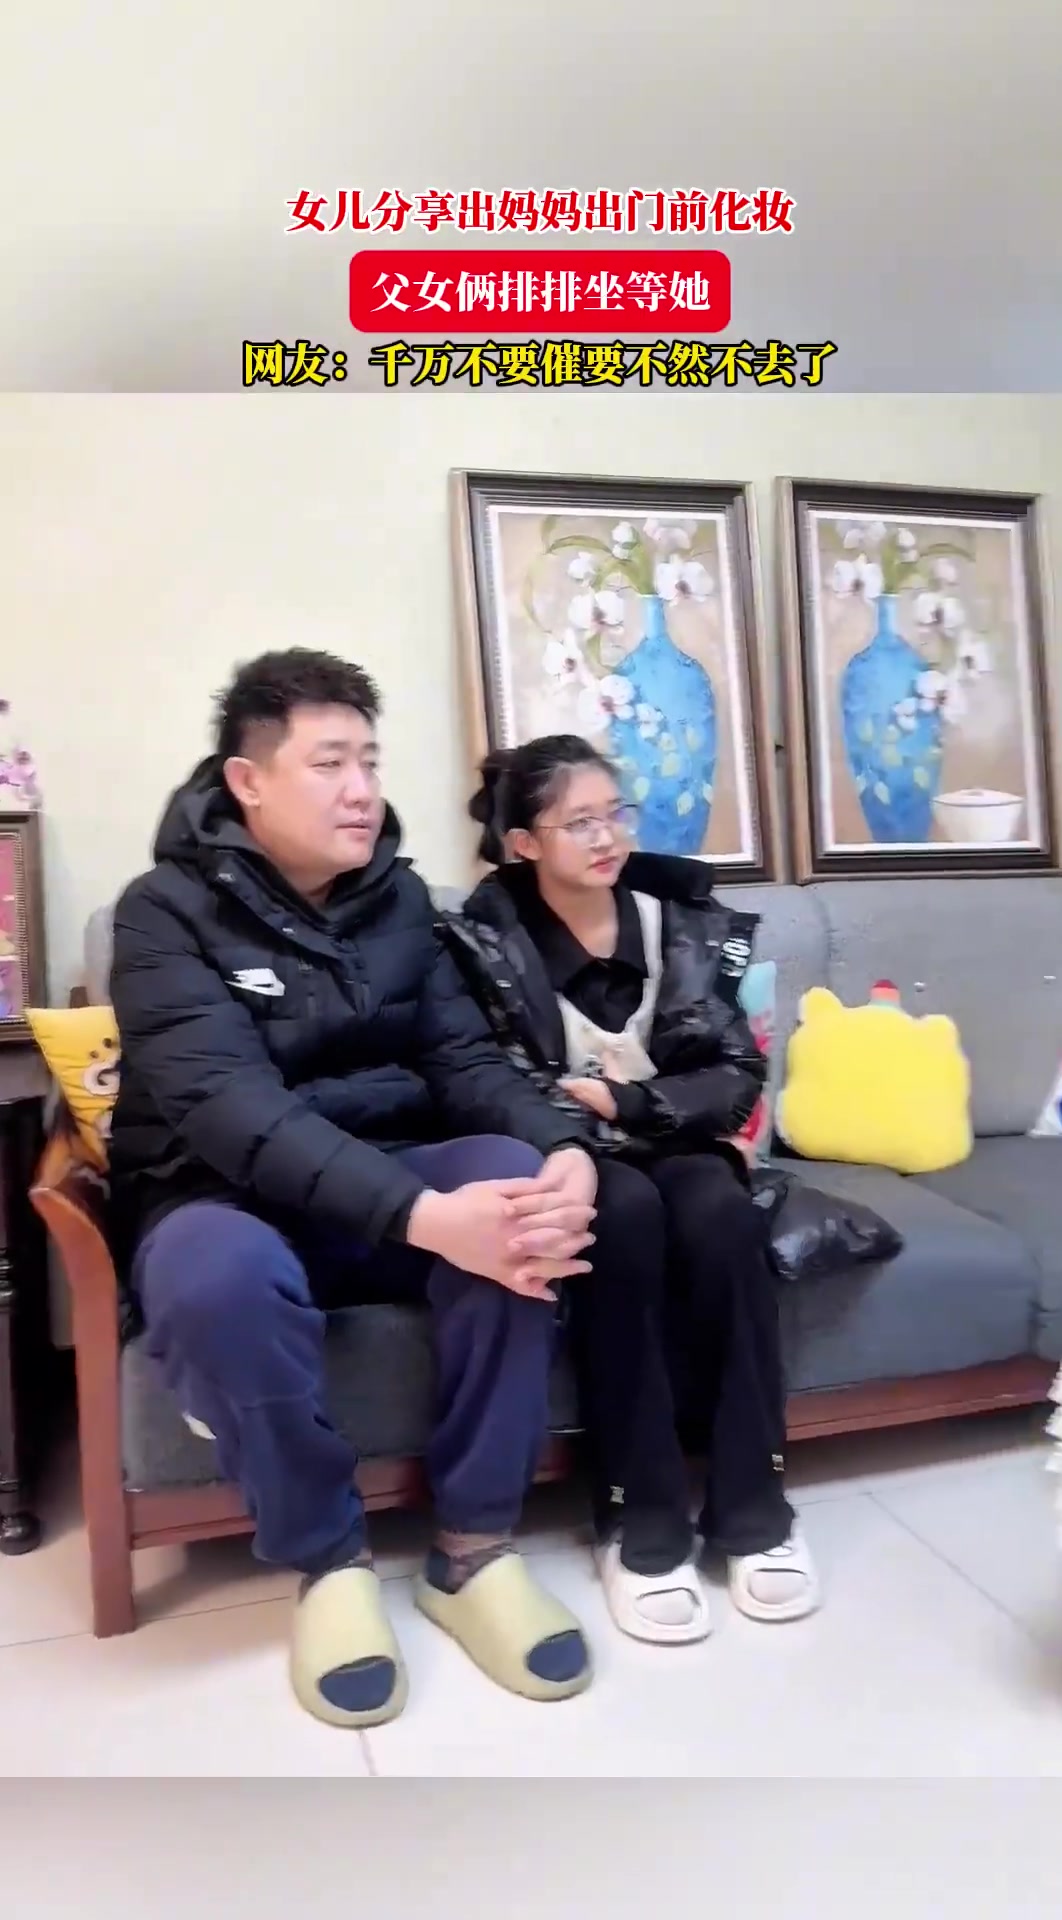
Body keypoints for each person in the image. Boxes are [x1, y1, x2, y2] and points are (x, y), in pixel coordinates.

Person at [108, 651, 602, 1731]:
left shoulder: (401, 902)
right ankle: (328, 1560)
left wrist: (563, 1146)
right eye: (330, 763)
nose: (361, 790)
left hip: (387, 1173)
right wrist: (428, 1218)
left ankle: (474, 1552)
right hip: (224, 1195)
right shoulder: (160, 914)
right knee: (212, 1276)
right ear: (248, 782)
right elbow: (231, 1110)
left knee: (516, 1189)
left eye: (370, 761)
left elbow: (464, 1060)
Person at [442, 734, 820, 1645]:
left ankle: (755, 1505)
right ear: (523, 843)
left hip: (670, 1135)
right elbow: (472, 1074)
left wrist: (632, 1102)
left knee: (722, 1216)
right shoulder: (478, 941)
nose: (607, 836)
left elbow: (735, 1073)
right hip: (565, 1156)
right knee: (623, 1219)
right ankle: (636, 1514)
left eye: (616, 814)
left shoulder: (682, 921)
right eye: (579, 822)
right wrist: (577, 1127)